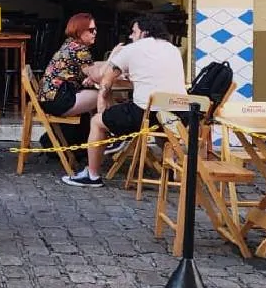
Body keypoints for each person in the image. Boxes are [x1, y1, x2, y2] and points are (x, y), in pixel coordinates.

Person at [62, 13, 186, 188]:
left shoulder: (132, 49)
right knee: (164, 131)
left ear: (144, 32)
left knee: (97, 122)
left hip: (146, 115)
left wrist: (101, 105)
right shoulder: (173, 49)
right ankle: (172, 170)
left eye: (134, 32)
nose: (131, 36)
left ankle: (92, 175)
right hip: (177, 114)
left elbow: (106, 79)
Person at [39, 12, 100, 118]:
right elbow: (95, 74)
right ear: (79, 32)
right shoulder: (80, 49)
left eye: (95, 29)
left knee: (93, 96)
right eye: (91, 30)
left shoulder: (69, 44)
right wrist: (113, 59)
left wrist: (91, 76)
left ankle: (97, 129)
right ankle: (109, 129)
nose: (95, 33)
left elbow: (90, 68)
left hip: (48, 99)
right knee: (102, 95)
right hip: (58, 100)